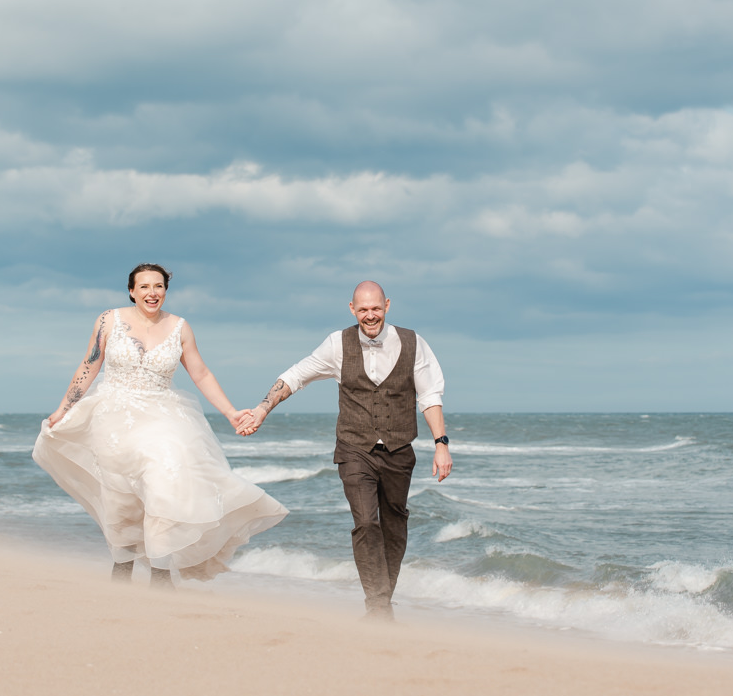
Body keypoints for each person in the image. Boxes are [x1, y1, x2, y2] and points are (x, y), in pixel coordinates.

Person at [32, 263, 287, 587]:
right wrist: (63, 409)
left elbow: (201, 374)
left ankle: (161, 572)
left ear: (165, 290)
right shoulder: (108, 320)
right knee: (121, 497)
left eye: (158, 287)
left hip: (163, 414)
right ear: (132, 290)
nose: (152, 293)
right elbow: (89, 366)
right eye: (145, 287)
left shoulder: (180, 327)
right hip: (114, 414)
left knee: (166, 481)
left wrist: (231, 412)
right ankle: (122, 565)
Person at [238, 281, 451, 620]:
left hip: (399, 451)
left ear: (387, 306)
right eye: (363, 309)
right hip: (355, 449)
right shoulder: (337, 344)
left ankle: (383, 601)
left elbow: (429, 396)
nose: (370, 315)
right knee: (367, 523)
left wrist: (441, 445)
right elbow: (297, 376)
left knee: (394, 525)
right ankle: (378, 606)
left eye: (376, 308)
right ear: (352, 309)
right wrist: (263, 409)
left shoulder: (413, 343)